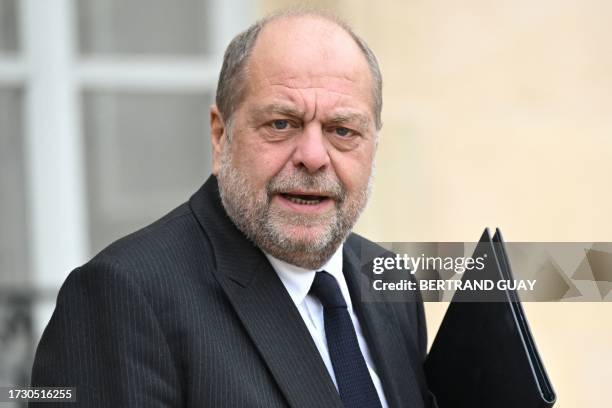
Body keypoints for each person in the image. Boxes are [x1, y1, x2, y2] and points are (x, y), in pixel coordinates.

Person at [31, 10, 437, 408]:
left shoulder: (391, 286)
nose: (314, 156)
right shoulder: (122, 296)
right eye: (281, 123)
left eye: (342, 131)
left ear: (373, 147)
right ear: (220, 135)